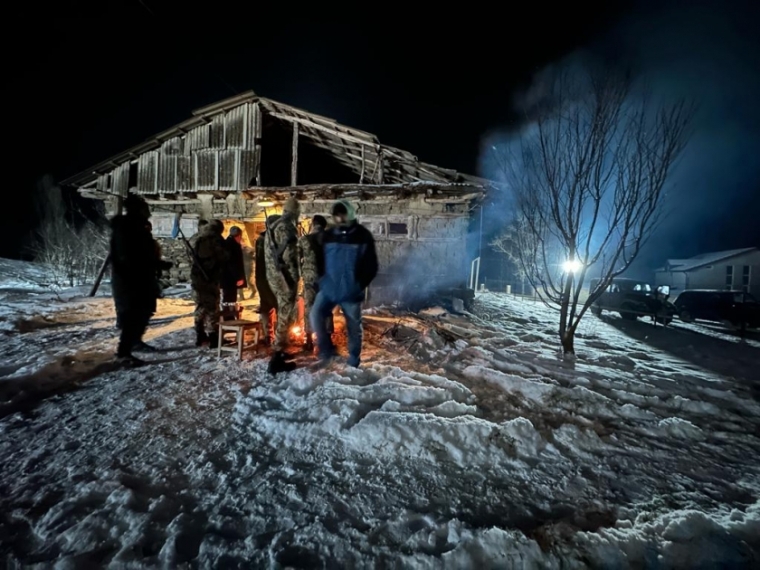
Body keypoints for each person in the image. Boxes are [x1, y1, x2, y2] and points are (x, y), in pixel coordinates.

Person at [311, 200, 378, 368]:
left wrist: (359, 285)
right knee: (315, 314)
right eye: (336, 215)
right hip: (329, 287)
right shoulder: (329, 235)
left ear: (349, 214)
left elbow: (372, 265)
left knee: (353, 327)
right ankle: (327, 350)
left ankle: (354, 360)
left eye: (342, 214)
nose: (339, 218)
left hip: (351, 291)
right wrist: (322, 280)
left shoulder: (363, 236)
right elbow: (320, 259)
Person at [110, 194, 163, 363]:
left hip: (142, 278)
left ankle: (135, 342)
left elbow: (144, 254)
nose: (148, 211)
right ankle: (123, 353)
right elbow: (129, 257)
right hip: (131, 281)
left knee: (144, 312)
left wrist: (158, 264)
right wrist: (146, 267)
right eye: (145, 208)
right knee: (133, 315)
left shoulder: (139, 227)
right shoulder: (127, 228)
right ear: (138, 210)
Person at [264, 197, 301, 374]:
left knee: (282, 313)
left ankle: (280, 351)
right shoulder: (288, 227)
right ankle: (276, 358)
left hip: (274, 278)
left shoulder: (272, 226)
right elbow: (291, 258)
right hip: (285, 278)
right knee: (286, 316)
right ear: (296, 212)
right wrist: (296, 279)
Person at [191, 219, 227, 348]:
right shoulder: (215, 239)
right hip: (209, 278)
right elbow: (223, 257)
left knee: (200, 307)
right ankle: (214, 338)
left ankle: (200, 335)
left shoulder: (198, 239)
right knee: (212, 308)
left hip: (197, 278)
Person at [298, 214, 328, 352]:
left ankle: (309, 340)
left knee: (309, 306)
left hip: (309, 278)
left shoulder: (304, 239)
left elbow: (297, 260)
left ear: (313, 224)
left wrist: (301, 274)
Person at [255, 216, 280, 346]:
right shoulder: (277, 240)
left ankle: (267, 335)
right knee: (280, 308)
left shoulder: (260, 240)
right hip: (275, 280)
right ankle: (279, 337)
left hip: (261, 279)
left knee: (266, 307)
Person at [221, 226, 247, 320]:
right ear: (239, 236)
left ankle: (229, 315)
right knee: (229, 298)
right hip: (230, 278)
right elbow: (233, 263)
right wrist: (238, 277)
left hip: (227, 277)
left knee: (229, 297)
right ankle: (228, 317)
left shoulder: (227, 243)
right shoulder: (232, 246)